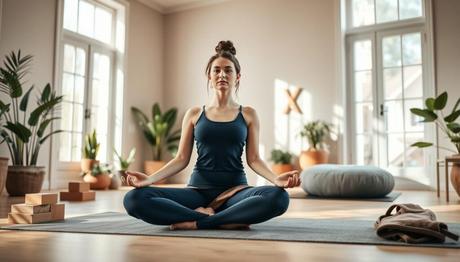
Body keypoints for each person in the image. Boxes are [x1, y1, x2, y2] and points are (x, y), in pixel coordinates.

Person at [123, 40, 301, 230]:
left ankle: (197, 221)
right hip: (196, 192)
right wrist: (149, 180)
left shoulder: (248, 114)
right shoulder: (194, 114)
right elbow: (181, 159)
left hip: (235, 193)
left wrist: (276, 179)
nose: (222, 74)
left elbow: (254, 159)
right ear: (209, 75)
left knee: (279, 198)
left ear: (238, 76)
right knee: (134, 199)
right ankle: (227, 220)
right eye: (216, 70)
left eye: (228, 70)